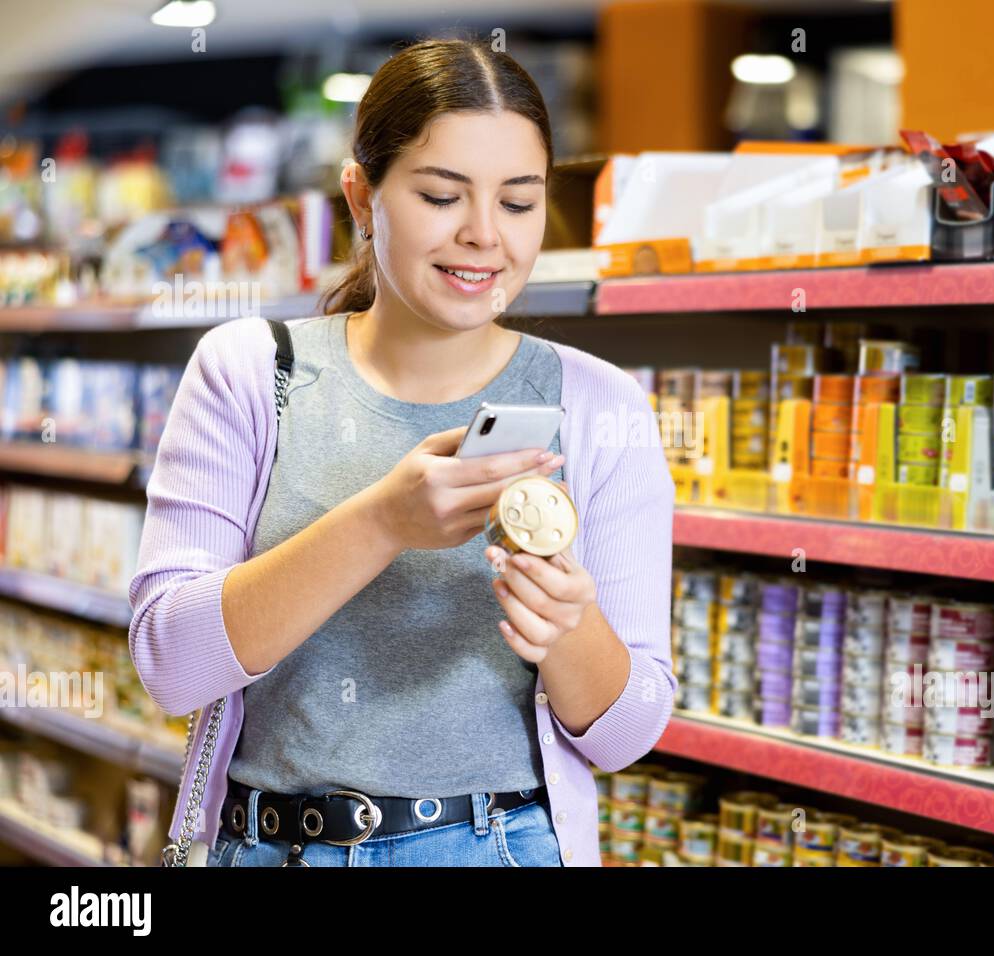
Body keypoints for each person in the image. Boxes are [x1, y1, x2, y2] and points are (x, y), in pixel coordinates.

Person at [129, 38, 675, 867]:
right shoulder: (250, 371)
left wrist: (568, 626)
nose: (484, 236)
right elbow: (170, 665)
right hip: (271, 846)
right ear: (362, 194)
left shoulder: (599, 405)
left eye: (519, 203)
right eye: (440, 195)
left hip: (501, 846)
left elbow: (628, 734)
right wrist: (381, 523)